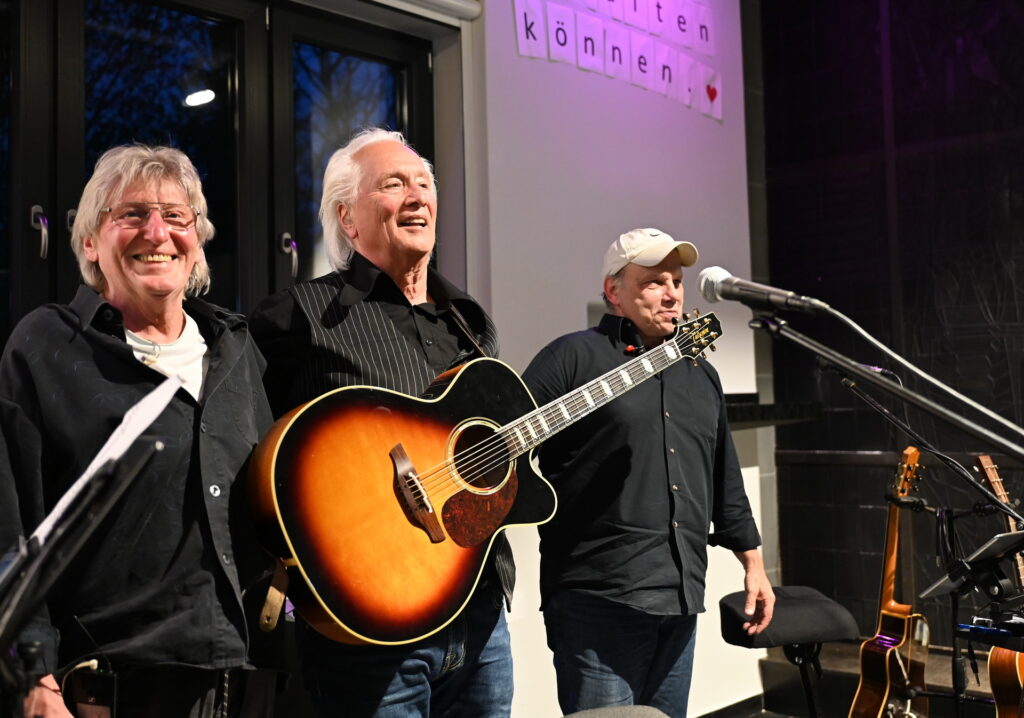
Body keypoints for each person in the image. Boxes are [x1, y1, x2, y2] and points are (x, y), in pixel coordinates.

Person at [0, 145, 281, 717]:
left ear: (196, 241)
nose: (157, 232)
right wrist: (33, 679)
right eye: (131, 214)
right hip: (105, 688)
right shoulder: (47, 346)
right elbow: (11, 523)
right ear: (89, 242)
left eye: (176, 216)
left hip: (244, 678)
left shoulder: (235, 349)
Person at [250, 128, 514, 717]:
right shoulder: (296, 317)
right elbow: (248, 457)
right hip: (367, 631)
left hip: (480, 615)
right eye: (394, 184)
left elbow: (480, 459)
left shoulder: (469, 322)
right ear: (347, 217)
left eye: (424, 183)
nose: (417, 196)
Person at [521, 228, 775, 718]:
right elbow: (501, 447)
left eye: (676, 281)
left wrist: (754, 566)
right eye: (654, 281)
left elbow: (724, 478)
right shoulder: (572, 358)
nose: (672, 293)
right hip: (598, 601)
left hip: (681, 595)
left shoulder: (701, 373)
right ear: (613, 291)